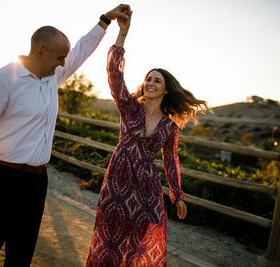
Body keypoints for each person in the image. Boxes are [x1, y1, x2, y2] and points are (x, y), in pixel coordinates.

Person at [0, 4, 131, 267]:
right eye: (60, 57)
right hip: (2, 177)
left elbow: (81, 50)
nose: (63, 64)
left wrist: (105, 20)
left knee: (21, 254)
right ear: (39, 51)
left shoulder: (51, 76)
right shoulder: (4, 79)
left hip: (37, 182)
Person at [86, 11, 210, 267]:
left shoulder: (170, 126)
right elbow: (114, 73)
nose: (151, 83)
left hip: (147, 187)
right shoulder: (129, 107)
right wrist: (122, 33)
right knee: (110, 240)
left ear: (166, 88)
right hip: (118, 182)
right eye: (148, 79)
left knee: (141, 241)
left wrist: (177, 196)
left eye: (157, 80)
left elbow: (170, 160)